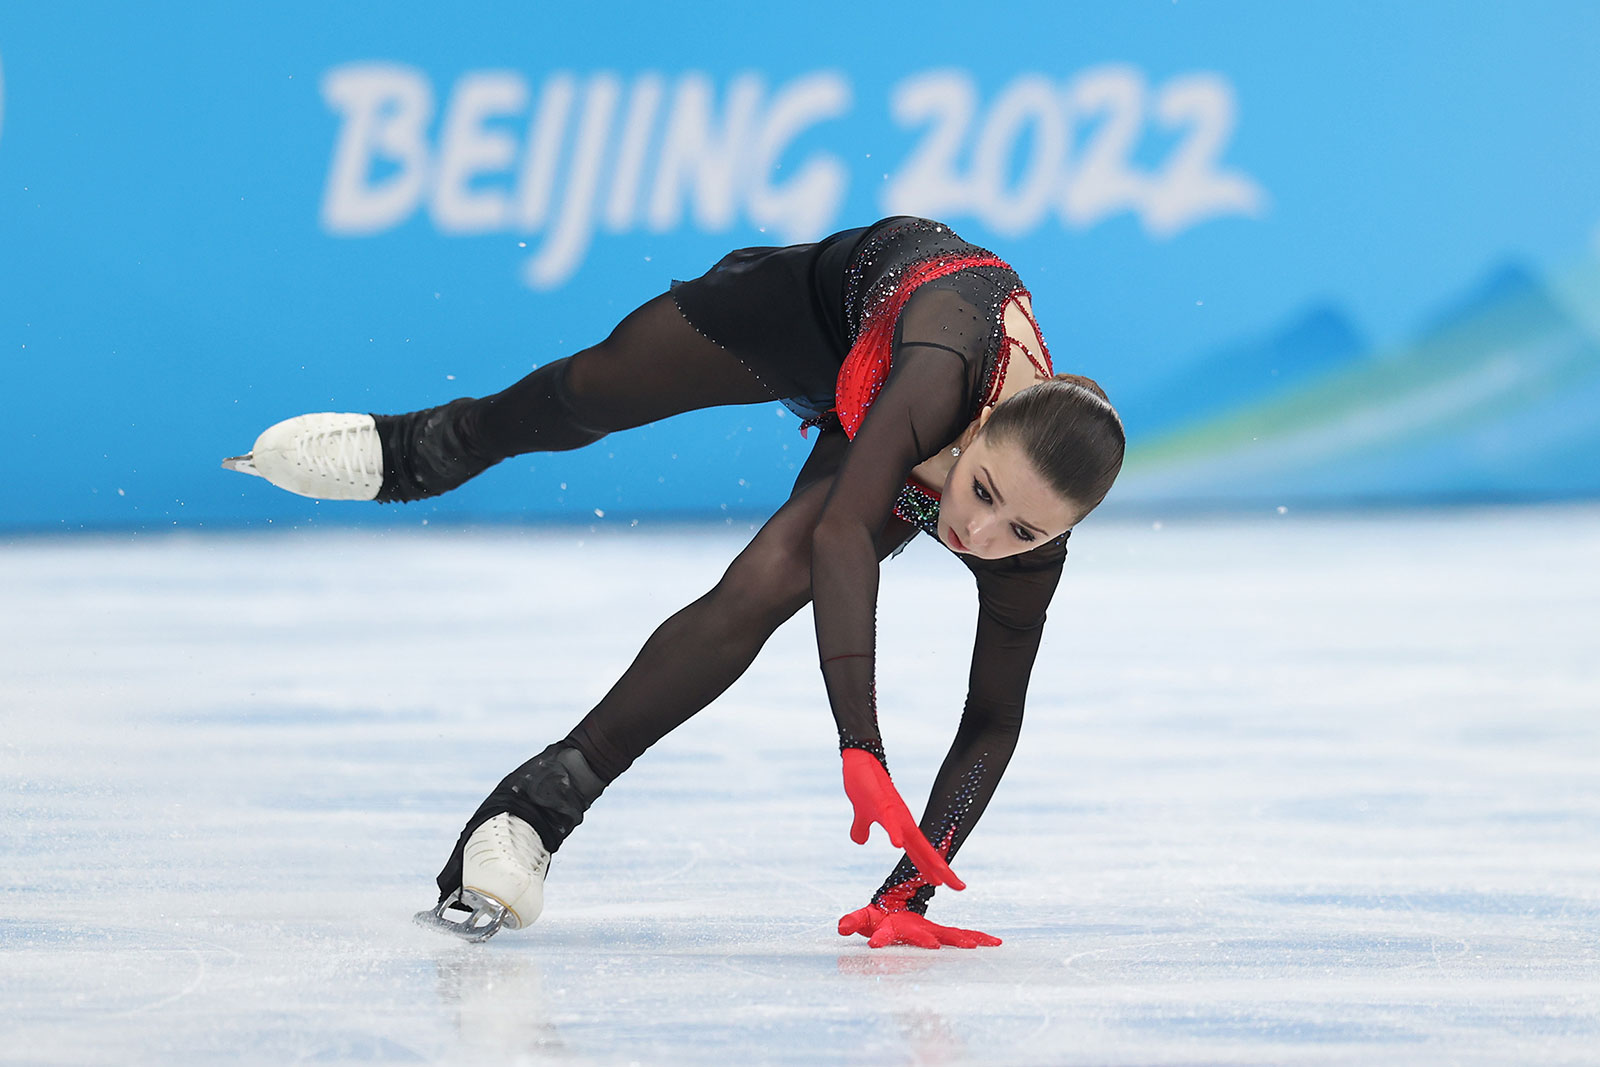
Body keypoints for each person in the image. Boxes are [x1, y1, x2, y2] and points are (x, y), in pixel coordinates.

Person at [223, 216, 1126, 949]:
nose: (978, 533)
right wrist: (863, 744)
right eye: (983, 496)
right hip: (815, 312)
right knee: (591, 391)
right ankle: (428, 446)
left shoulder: (1026, 532)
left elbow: (993, 717)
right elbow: (847, 529)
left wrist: (910, 889)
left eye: (1026, 533)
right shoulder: (944, 368)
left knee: (761, 586)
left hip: (894, 420)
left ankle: (532, 812)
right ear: (975, 436)